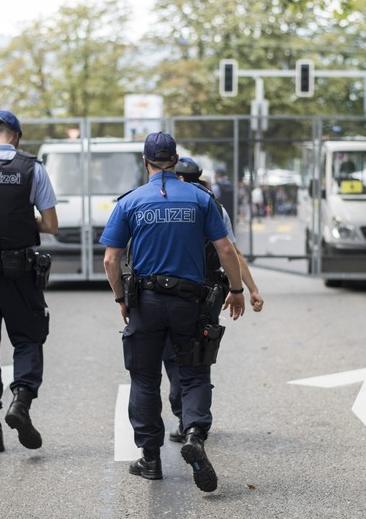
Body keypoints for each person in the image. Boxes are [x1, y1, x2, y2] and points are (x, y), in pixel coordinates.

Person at [100, 132, 245, 493]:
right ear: (176, 159)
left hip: (145, 303)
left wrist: (121, 298)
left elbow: (111, 258)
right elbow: (226, 250)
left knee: (145, 379)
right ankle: (194, 432)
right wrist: (238, 290)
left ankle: (151, 459)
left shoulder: (131, 201)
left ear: (145, 162)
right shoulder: (200, 199)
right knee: (193, 373)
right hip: (190, 303)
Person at [0, 110, 58, 453]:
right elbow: (51, 225)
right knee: (28, 338)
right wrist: (22, 219)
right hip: (21, 270)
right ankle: (21, 401)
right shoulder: (33, 168)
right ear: (16, 136)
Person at [164, 156, 264, 443]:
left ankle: (183, 413)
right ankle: (193, 423)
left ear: (178, 177)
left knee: (172, 355)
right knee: (198, 354)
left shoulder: (165, 202)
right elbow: (231, 252)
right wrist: (247, 289)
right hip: (207, 294)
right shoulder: (213, 205)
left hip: (167, 291)